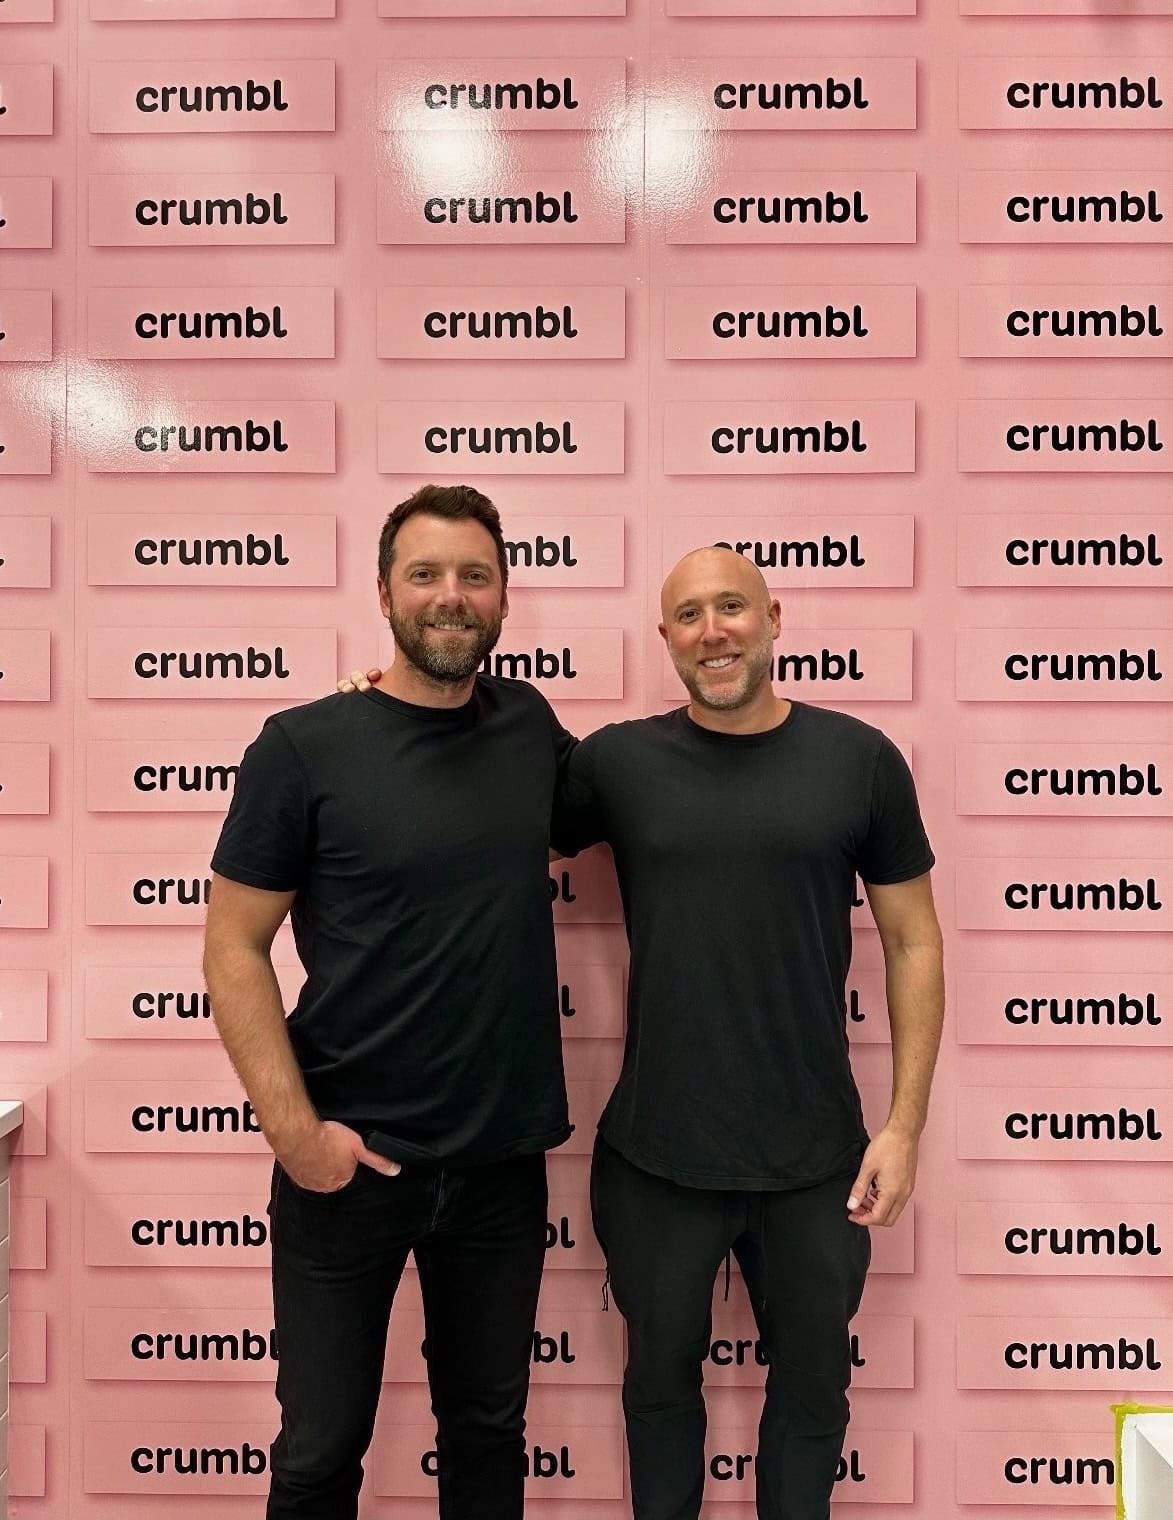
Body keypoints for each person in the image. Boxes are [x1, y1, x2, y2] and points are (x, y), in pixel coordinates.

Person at [343, 543, 945, 1520]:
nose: (714, 631)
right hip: (656, 1159)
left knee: (813, 1402)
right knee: (659, 1396)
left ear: (773, 618)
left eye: (732, 607)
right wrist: (386, 710)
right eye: (690, 615)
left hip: (817, 1160)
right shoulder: (618, 763)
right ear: (666, 637)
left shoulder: (859, 760)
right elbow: (479, 783)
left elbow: (914, 942)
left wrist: (905, 1126)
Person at [203, 483, 577, 1520]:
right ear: (383, 593)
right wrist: (297, 1135)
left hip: (500, 1166)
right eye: (425, 574)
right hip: (348, 1166)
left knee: (487, 1438)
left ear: (503, 598)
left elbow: (637, 796)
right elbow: (233, 946)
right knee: (319, 1455)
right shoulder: (302, 746)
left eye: (474, 575)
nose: (450, 595)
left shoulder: (528, 726)